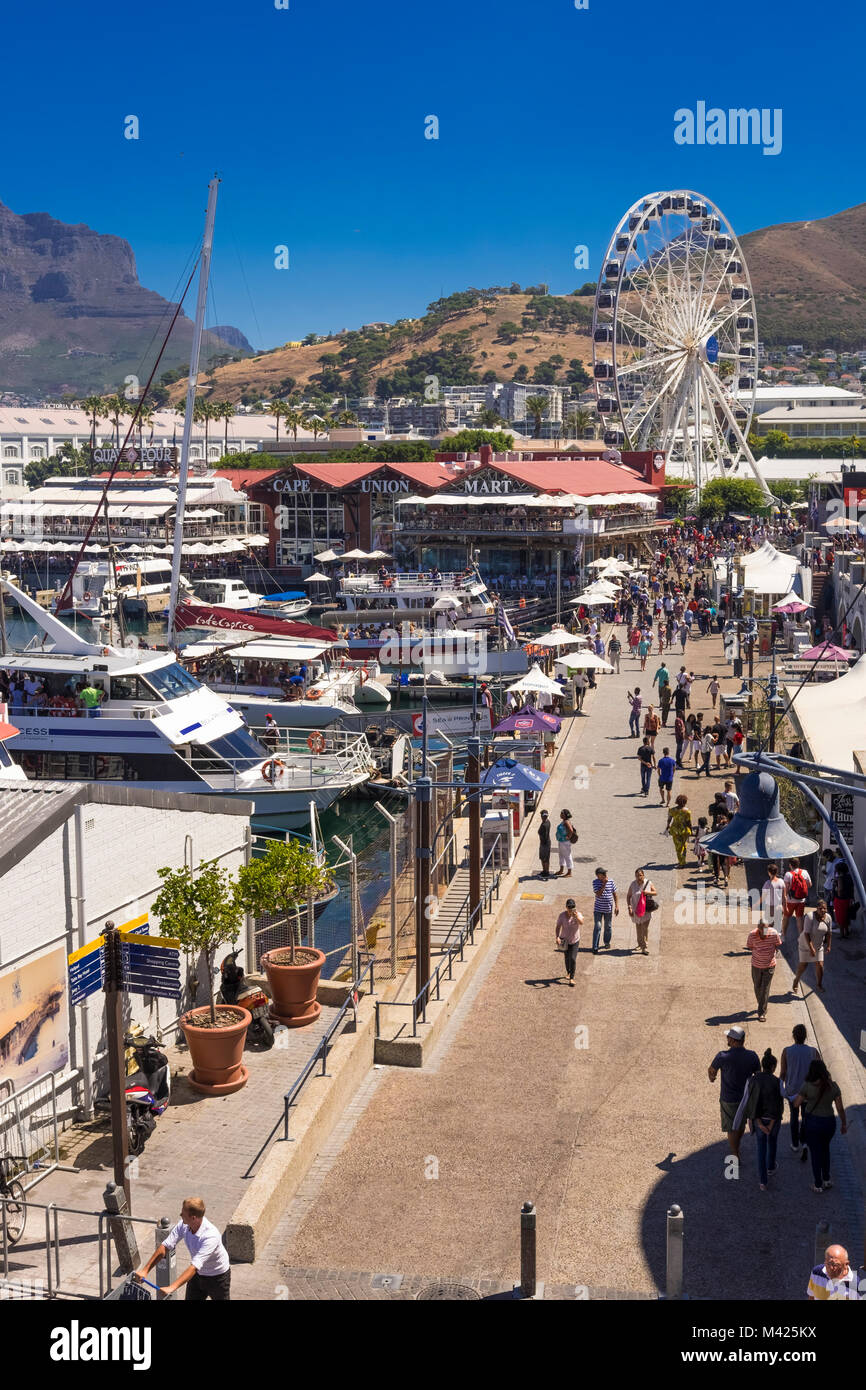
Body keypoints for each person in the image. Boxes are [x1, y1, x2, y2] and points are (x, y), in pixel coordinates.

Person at [135, 1197, 231, 1300]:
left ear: (193, 1218)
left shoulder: (210, 1236)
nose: (180, 1215)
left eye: (183, 1214)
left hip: (218, 1277)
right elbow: (165, 1246)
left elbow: (194, 1266)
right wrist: (145, 1270)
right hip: (198, 1275)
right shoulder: (184, 1225)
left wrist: (172, 1287)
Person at [794, 1058, 847, 1193]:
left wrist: (807, 1097)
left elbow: (796, 1104)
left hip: (813, 1123)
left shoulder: (807, 1086)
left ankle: (818, 1184)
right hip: (829, 1123)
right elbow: (840, 1108)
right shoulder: (833, 1086)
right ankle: (827, 1179)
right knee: (825, 1150)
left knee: (815, 1153)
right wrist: (844, 1124)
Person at [708, 1026, 760, 1160]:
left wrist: (712, 1078)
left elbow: (711, 1070)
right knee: (740, 1124)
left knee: (731, 1128)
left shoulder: (722, 1056)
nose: (727, 1039)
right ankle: (737, 1145)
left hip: (728, 1098)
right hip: (745, 1098)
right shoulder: (752, 1056)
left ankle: (735, 1152)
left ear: (733, 1040)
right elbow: (758, 1075)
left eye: (728, 1037)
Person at [744, 1048, 783, 1190]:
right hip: (773, 1120)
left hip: (759, 1119)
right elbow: (780, 1102)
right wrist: (771, 1124)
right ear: (773, 1067)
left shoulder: (752, 1080)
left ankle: (762, 1181)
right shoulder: (777, 1082)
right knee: (772, 1143)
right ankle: (771, 1167)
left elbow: (750, 1100)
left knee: (761, 1148)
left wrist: (758, 1123)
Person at [780, 1023, 818, 1156]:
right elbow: (820, 1072)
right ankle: (805, 1142)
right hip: (808, 1092)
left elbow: (783, 1073)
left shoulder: (786, 1051)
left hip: (793, 1091)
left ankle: (795, 1144)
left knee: (794, 1117)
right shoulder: (813, 1052)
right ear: (805, 1036)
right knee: (806, 1117)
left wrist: (781, 1088)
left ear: (793, 1036)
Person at [746, 917, 782, 1022]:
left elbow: (777, 944)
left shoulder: (774, 934)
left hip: (770, 965)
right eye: (762, 928)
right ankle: (761, 1003)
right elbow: (750, 947)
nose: (764, 931)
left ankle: (761, 1012)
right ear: (758, 928)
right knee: (757, 986)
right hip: (756, 965)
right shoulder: (752, 935)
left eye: (766, 928)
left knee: (765, 988)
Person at [791, 900, 832, 994]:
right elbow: (806, 934)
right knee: (804, 965)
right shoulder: (809, 917)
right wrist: (811, 948)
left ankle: (819, 985)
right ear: (816, 908)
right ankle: (796, 980)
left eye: (824, 908)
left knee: (820, 966)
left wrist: (829, 945)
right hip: (805, 944)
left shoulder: (828, 917)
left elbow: (829, 933)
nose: (822, 910)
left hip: (818, 945)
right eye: (820, 908)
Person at [626, 867, 656, 955]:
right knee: (638, 928)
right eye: (637, 876)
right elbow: (628, 896)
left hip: (646, 911)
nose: (638, 877)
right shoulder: (633, 884)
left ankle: (645, 947)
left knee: (644, 928)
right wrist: (629, 907)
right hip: (636, 910)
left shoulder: (648, 883)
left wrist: (647, 893)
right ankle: (639, 944)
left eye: (640, 875)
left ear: (643, 875)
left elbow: (655, 892)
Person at [555, 897, 583, 986]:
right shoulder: (562, 915)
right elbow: (558, 926)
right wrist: (557, 937)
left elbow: (581, 922)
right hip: (565, 940)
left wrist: (576, 917)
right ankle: (568, 972)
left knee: (573, 959)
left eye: (572, 907)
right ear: (566, 907)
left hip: (575, 940)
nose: (571, 909)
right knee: (567, 958)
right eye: (569, 907)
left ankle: (572, 978)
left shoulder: (577, 914)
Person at [591, 867, 619, 953]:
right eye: (601, 875)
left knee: (608, 927)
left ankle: (607, 942)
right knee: (598, 927)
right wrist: (603, 884)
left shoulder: (611, 881)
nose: (603, 876)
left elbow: (615, 894)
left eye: (604, 874)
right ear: (597, 876)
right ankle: (595, 946)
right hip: (598, 909)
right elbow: (598, 894)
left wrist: (617, 906)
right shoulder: (595, 882)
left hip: (608, 909)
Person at [781, 856, 811, 936]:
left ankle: (783, 934)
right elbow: (809, 885)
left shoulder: (788, 874)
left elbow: (786, 890)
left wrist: (783, 900)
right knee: (800, 918)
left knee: (786, 917)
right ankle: (801, 937)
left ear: (790, 864)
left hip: (790, 901)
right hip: (801, 900)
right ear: (798, 864)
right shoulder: (804, 872)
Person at [666, 794, 692, 867]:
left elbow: (669, 820)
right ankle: (683, 860)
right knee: (684, 846)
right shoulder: (687, 811)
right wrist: (691, 830)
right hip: (684, 830)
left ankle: (681, 862)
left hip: (675, 830)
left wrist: (667, 827)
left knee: (678, 847)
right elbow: (688, 822)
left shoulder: (672, 810)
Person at [831, 858, 855, 938]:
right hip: (847, 899)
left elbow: (840, 889)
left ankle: (842, 934)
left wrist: (837, 893)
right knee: (846, 916)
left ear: (839, 870)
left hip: (840, 900)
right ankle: (847, 931)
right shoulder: (849, 877)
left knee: (840, 917)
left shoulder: (840, 878)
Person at [760, 862, 786, 934]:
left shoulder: (767, 883)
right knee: (777, 926)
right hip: (779, 906)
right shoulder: (781, 882)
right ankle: (776, 941)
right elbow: (784, 897)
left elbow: (763, 897)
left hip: (770, 907)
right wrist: (785, 907)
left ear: (769, 872)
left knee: (767, 926)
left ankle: (768, 941)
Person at [555, 809, 576, 876]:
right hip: (561, 841)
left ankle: (569, 872)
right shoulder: (563, 821)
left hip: (565, 842)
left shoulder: (566, 822)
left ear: (565, 815)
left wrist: (568, 837)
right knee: (561, 855)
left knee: (567, 856)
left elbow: (571, 830)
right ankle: (561, 869)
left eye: (562, 813)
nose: (560, 814)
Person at [537, 810, 552, 879]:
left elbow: (545, 835)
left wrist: (543, 842)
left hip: (545, 843)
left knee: (545, 858)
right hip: (544, 843)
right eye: (543, 816)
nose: (544, 817)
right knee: (543, 858)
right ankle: (544, 870)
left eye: (545, 816)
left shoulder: (544, 825)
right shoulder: (547, 822)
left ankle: (546, 872)